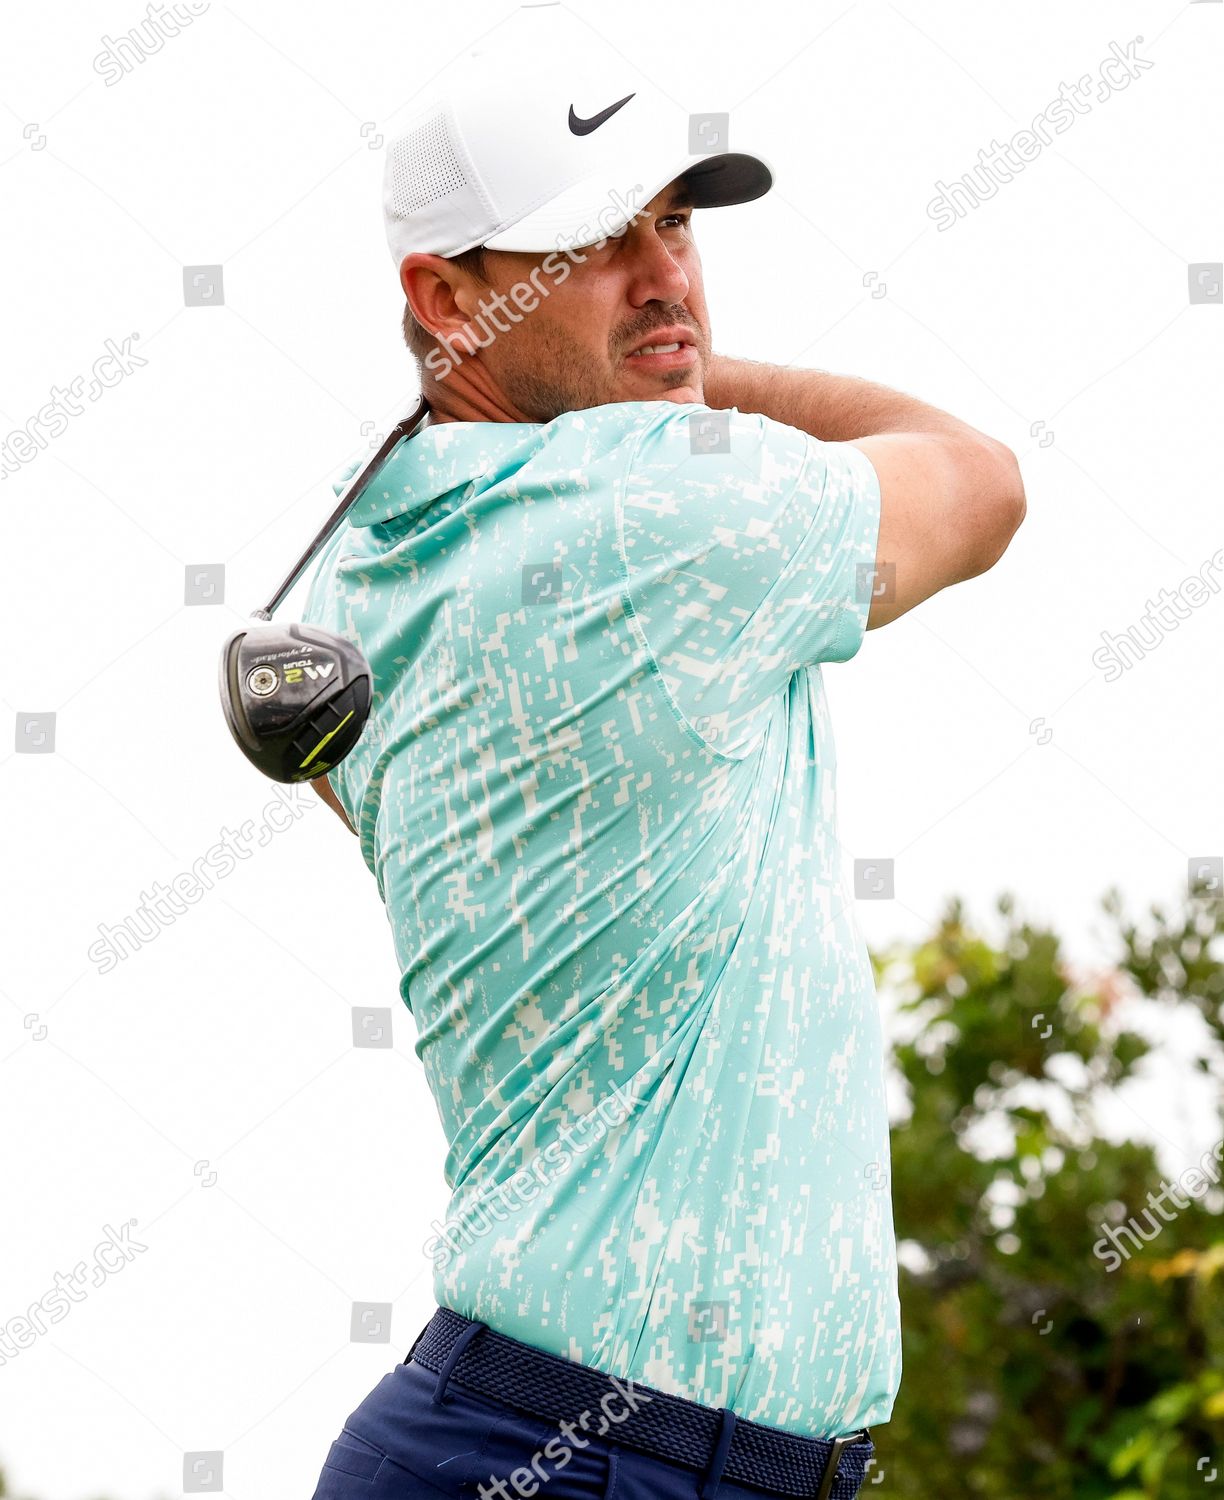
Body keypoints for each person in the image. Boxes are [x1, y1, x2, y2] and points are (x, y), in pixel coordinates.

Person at [304, 15, 1025, 1500]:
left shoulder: (372, 580)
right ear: (446, 296)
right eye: (589, 247)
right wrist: (704, 375)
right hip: (585, 1459)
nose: (666, 277)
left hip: (560, 1441)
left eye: (675, 225)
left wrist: (642, 356)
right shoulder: (665, 506)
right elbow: (979, 481)